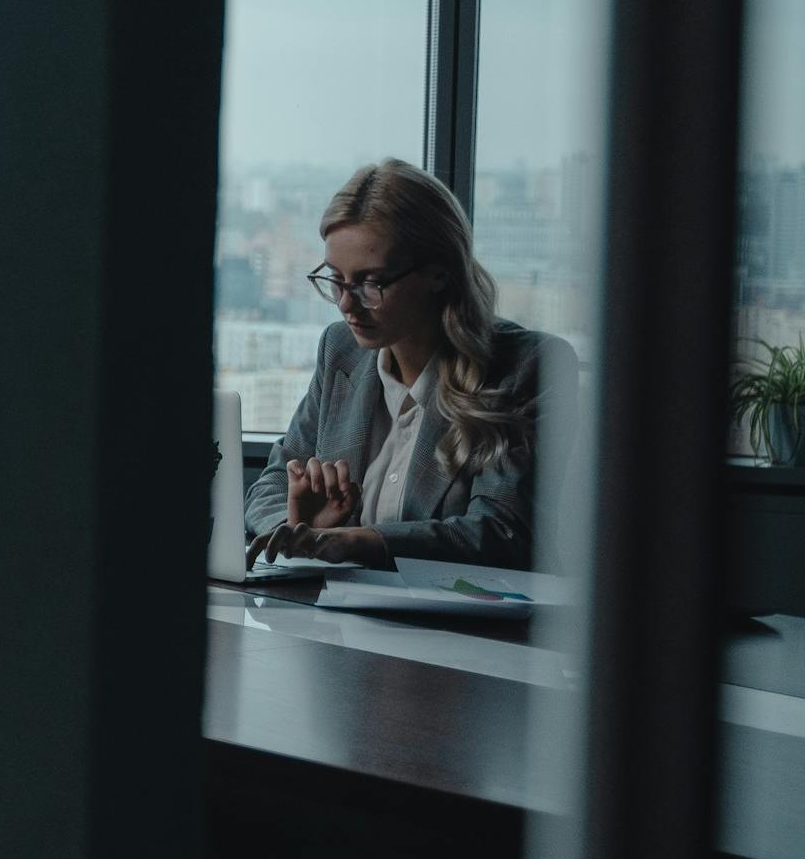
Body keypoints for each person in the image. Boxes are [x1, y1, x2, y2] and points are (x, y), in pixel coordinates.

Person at [244, 158, 576, 572]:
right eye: (335, 279)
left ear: (438, 274)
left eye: (370, 283)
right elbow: (271, 484)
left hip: (465, 631)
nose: (346, 305)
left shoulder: (526, 366)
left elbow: (501, 532)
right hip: (342, 619)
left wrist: (355, 542)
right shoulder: (340, 351)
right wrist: (298, 535)